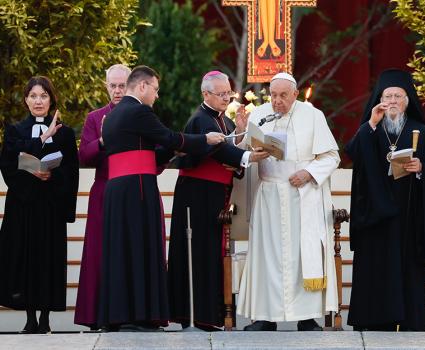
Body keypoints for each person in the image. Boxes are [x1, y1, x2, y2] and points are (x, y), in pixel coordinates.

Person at [96, 65, 225, 331]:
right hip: (137, 188)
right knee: (140, 247)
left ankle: (119, 314)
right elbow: (169, 137)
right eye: (155, 90)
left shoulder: (113, 116)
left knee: (121, 251)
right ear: (142, 86)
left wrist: (172, 155)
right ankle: (140, 315)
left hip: (117, 189)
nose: (156, 96)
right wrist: (206, 139)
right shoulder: (139, 110)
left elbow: (149, 151)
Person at [345, 69, 425, 331]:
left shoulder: (421, 132)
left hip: (409, 216)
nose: (391, 101)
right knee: (375, 272)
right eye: (387, 96)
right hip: (375, 218)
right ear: (379, 100)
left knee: (409, 272)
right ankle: (374, 321)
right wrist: (371, 123)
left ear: (407, 101)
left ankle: (412, 322)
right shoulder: (370, 129)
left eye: (397, 96)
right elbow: (352, 152)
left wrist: (422, 167)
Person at [237, 72, 340, 331]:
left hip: (302, 196)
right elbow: (243, 152)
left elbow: (331, 156)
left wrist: (308, 173)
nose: (277, 101)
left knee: (300, 258)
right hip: (269, 196)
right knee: (267, 257)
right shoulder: (260, 113)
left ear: (295, 94)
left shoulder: (313, 116)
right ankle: (264, 317)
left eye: (283, 95)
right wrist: (241, 131)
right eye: (273, 95)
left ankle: (307, 318)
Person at [167, 71, 268, 331]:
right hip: (197, 194)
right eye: (221, 94)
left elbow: (230, 156)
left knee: (213, 253)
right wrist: (250, 158)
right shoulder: (201, 119)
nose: (226, 98)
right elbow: (224, 152)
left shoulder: (223, 121)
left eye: (228, 93)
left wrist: (242, 133)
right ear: (206, 94)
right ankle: (199, 316)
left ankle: (211, 315)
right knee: (199, 253)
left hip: (215, 194)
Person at [0, 76, 79, 334]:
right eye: (33, 96)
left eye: (43, 96)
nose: (38, 101)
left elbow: (71, 170)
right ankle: (29, 319)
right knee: (25, 259)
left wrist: (51, 175)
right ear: (25, 100)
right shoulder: (14, 131)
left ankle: (45, 320)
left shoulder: (65, 133)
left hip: (50, 207)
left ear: (51, 99)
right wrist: (43, 140)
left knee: (48, 259)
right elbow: (9, 163)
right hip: (23, 206)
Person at [74, 64, 131, 330]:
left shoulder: (141, 115)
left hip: (132, 192)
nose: (118, 91)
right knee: (99, 253)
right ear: (106, 86)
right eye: (113, 86)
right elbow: (84, 156)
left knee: (129, 252)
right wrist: (103, 140)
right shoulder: (95, 118)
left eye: (122, 85)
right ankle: (99, 316)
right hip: (103, 192)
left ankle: (131, 315)